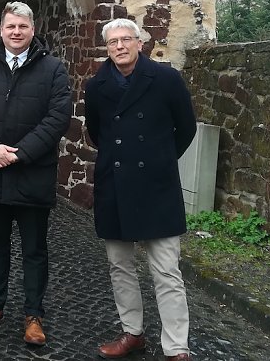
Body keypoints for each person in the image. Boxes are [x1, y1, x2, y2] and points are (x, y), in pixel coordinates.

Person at [0, 1, 71, 346]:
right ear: (2, 30)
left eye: (22, 26)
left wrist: (20, 154)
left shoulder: (53, 69)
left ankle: (33, 315)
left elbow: (57, 118)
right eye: (11, 27)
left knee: (35, 249)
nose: (16, 32)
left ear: (32, 29)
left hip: (32, 174)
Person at [84, 18, 196, 361]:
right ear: (107, 48)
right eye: (112, 42)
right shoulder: (97, 85)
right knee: (120, 266)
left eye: (125, 39)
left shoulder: (166, 79)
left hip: (157, 187)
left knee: (166, 271)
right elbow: (95, 133)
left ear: (139, 42)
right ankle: (132, 333)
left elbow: (186, 128)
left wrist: (159, 159)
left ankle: (176, 347)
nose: (119, 46)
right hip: (114, 187)